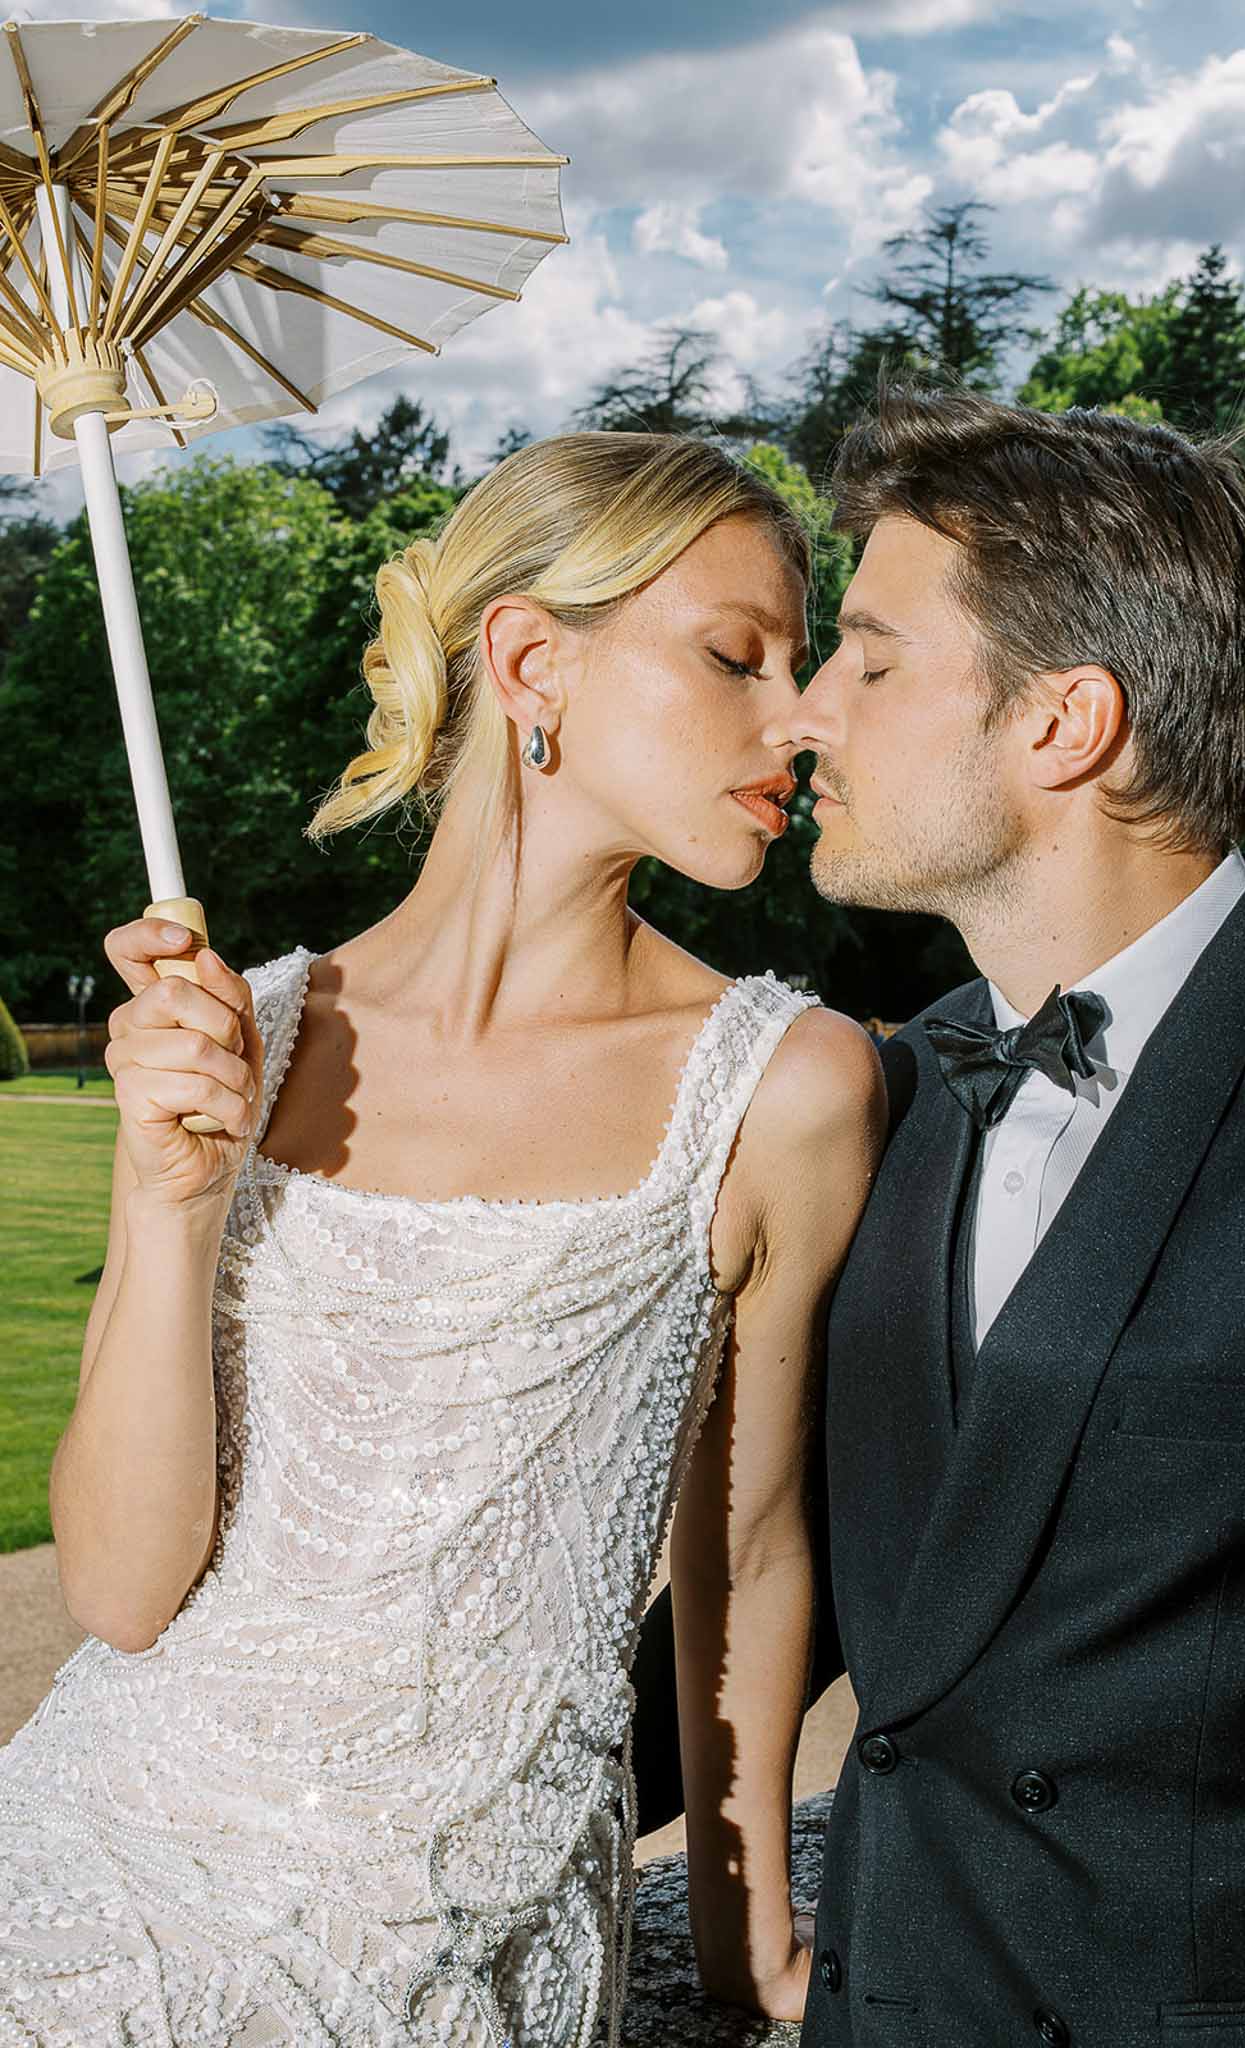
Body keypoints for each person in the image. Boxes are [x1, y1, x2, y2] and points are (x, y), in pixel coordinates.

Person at [0, 432, 885, 2048]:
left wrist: (746, 1943)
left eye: (805, 665)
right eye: (734, 656)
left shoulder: (786, 1088)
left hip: (468, 1953)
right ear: (534, 660)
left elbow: (744, 1550)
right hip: (91, 1891)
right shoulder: (232, 1040)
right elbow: (124, 1595)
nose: (801, 716)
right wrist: (166, 1199)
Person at [631, 384, 1245, 2044]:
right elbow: (769, 1572)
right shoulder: (869, 1101)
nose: (806, 715)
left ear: (1064, 725)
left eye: (871, 662)